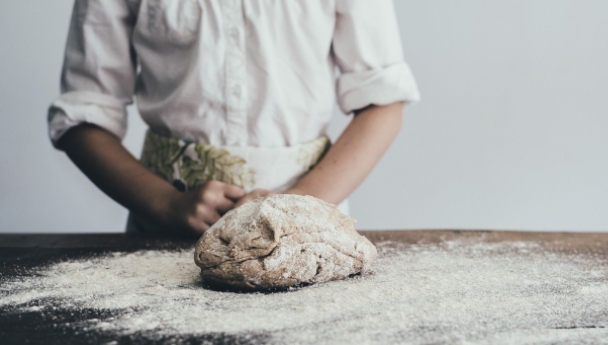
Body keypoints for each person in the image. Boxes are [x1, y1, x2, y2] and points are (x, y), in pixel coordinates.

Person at [48, 0, 420, 235]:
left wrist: (298, 205)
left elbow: (382, 103)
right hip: (165, 231)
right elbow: (83, 115)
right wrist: (164, 204)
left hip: (310, 228)